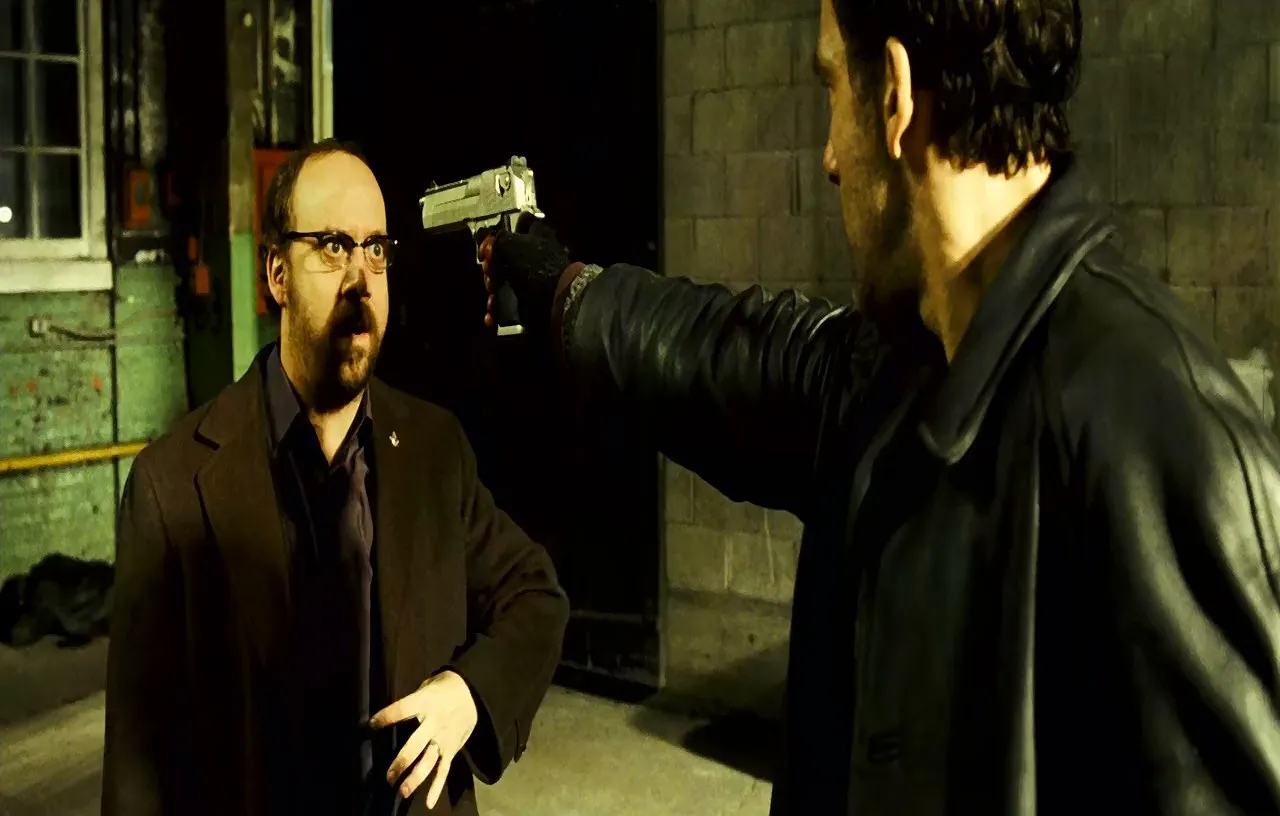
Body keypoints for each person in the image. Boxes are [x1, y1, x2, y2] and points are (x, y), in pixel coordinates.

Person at [483, 0, 1280, 813]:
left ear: (895, 97)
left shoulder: (1160, 434)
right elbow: (728, 350)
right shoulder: (905, 360)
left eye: (831, 88)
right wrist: (562, 291)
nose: (830, 157)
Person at [102, 139, 570, 816]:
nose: (361, 278)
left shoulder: (435, 450)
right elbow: (137, 772)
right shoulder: (169, 488)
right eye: (331, 246)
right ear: (277, 274)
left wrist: (469, 694)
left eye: (376, 249)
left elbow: (535, 595)